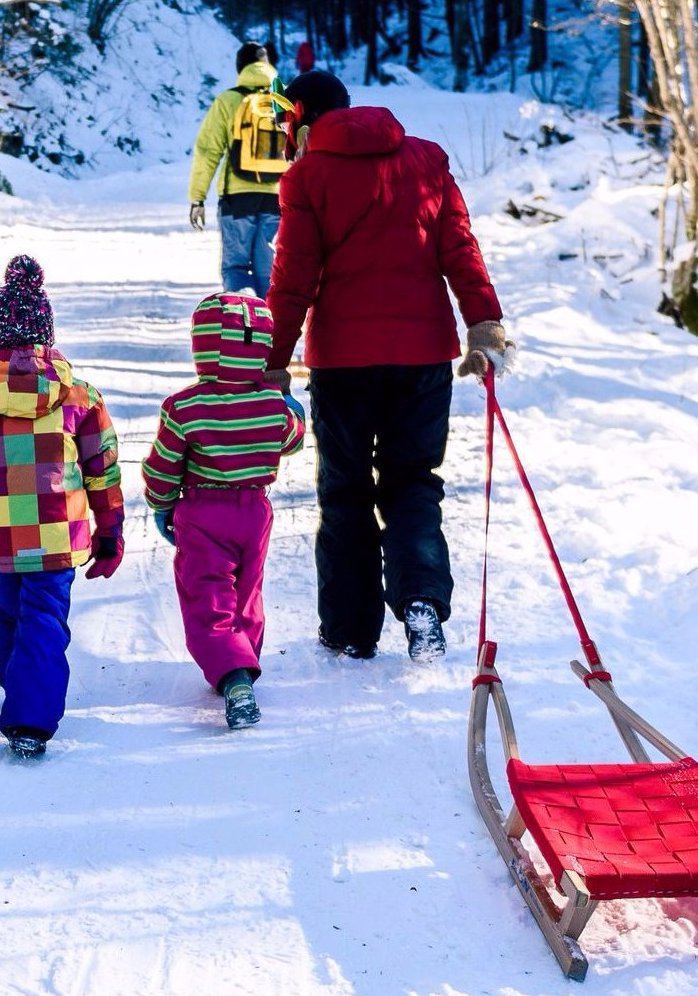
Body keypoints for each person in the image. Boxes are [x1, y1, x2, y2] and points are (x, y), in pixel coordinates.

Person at [264, 70, 510, 663]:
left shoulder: (306, 177)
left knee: (345, 493)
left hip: (343, 364)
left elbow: (293, 279)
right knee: (412, 483)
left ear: (300, 116)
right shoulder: (425, 160)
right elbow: (459, 247)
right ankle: (422, 599)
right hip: (423, 357)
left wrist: (272, 361)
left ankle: (350, 629)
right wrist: (483, 325)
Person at [0, 256, 124, 758]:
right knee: (44, 619)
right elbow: (102, 471)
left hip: (2, 537)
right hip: (58, 536)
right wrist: (110, 531)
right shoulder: (80, 398)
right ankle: (30, 716)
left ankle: (19, 688)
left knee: (7, 612)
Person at [141, 292, 305, 729]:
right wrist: (294, 411)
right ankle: (242, 657)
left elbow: (163, 465)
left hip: (202, 511)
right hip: (254, 511)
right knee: (247, 590)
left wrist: (161, 504)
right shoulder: (272, 403)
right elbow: (291, 438)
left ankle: (233, 675)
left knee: (207, 595)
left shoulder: (185, 407)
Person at [188, 40, 287, 298]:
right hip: (277, 198)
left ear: (240, 68)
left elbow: (208, 151)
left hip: (237, 199)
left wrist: (197, 197)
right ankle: (269, 331)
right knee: (269, 271)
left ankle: (239, 328)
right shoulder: (283, 99)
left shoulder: (228, 100)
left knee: (237, 267)